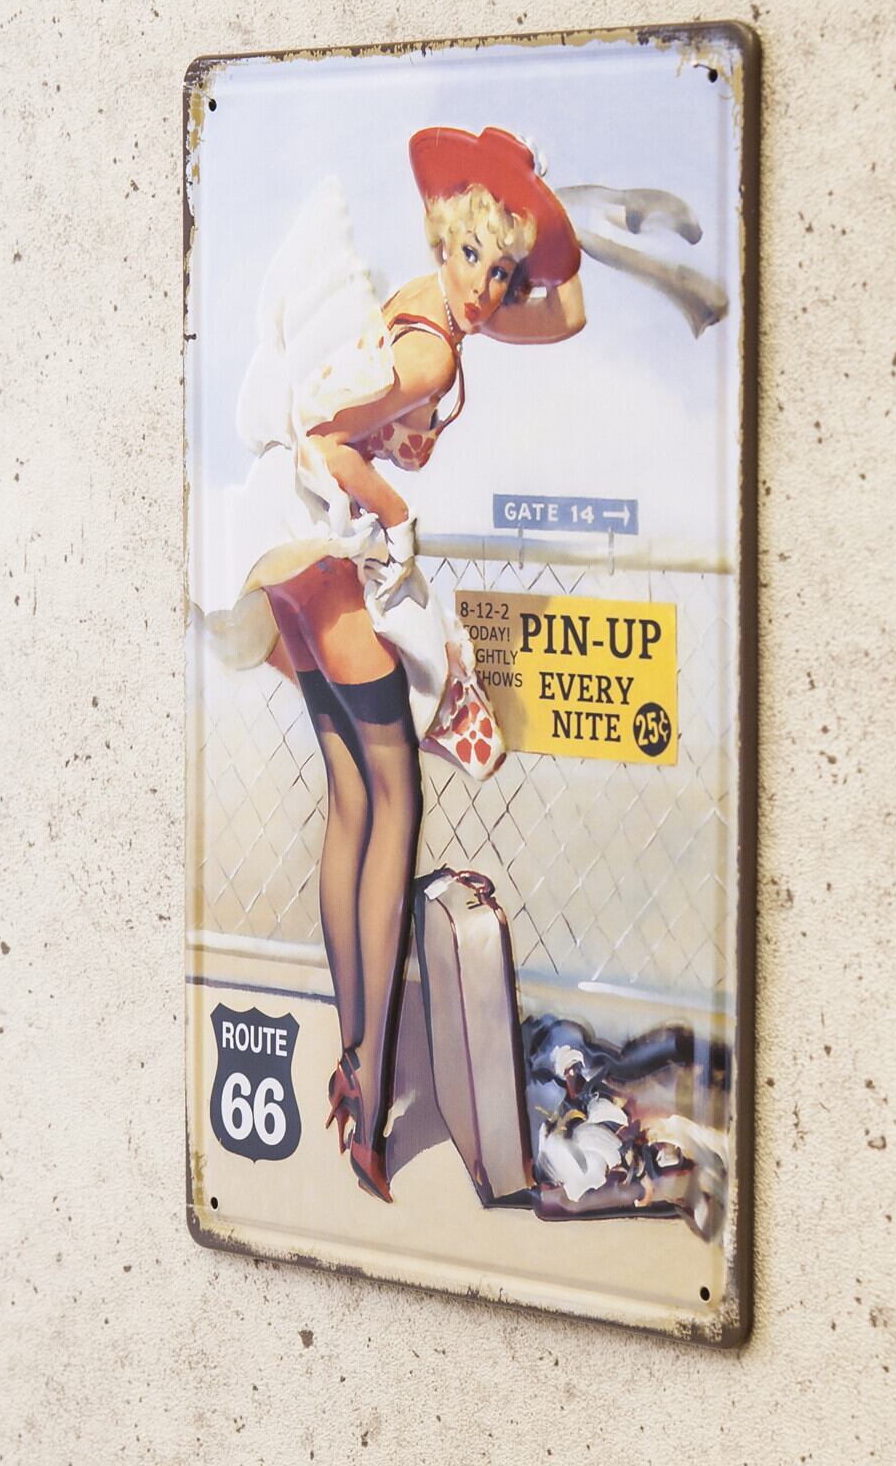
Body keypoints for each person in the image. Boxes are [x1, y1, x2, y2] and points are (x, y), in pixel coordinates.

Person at [195, 127, 585, 1200]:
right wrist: (399, 513)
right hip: (330, 559)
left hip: (298, 564)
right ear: (445, 238)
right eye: (477, 260)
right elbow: (324, 438)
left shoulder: (433, 303)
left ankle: (350, 1068)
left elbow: (565, 313)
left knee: (351, 805)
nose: (489, 290)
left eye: (504, 273)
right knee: (394, 802)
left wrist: (541, 219)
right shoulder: (436, 352)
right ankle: (368, 1095)